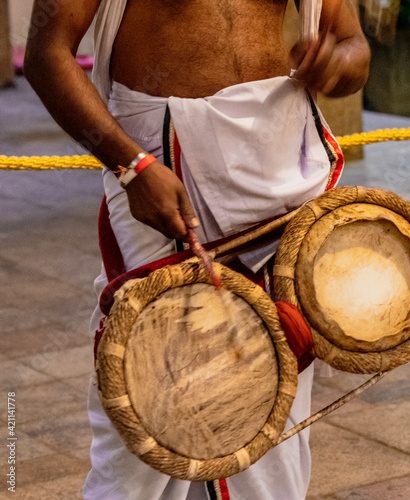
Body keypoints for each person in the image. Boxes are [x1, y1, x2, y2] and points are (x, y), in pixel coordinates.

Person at [24, 0, 370, 498]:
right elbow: (47, 51)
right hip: (159, 160)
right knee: (147, 385)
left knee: (272, 370)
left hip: (277, 162)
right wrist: (132, 166)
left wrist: (337, 65)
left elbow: (352, 42)